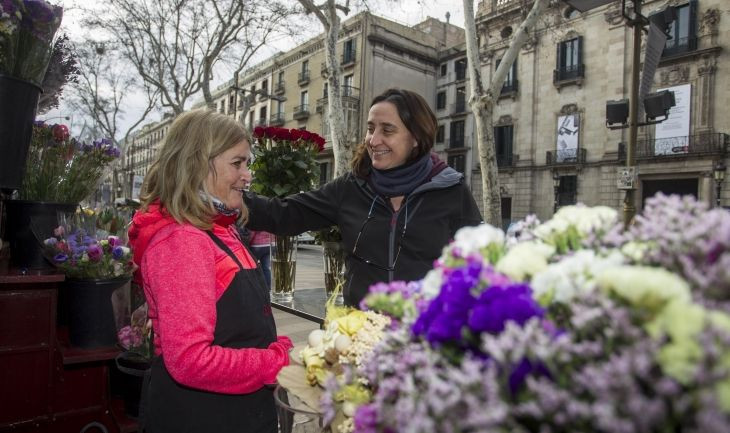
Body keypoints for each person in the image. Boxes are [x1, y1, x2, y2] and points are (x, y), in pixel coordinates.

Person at [128, 109, 293, 433]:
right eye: (237, 163)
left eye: (248, 164)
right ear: (198, 165)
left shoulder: (218, 228)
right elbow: (190, 360)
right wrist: (274, 363)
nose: (247, 176)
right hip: (202, 416)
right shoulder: (182, 240)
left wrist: (278, 347)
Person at [245, 88, 482, 306]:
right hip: (358, 333)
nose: (373, 139)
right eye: (370, 128)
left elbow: (478, 265)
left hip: (424, 337)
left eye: (387, 130)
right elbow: (286, 213)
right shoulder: (351, 187)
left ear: (417, 138)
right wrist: (231, 199)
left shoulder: (451, 189)